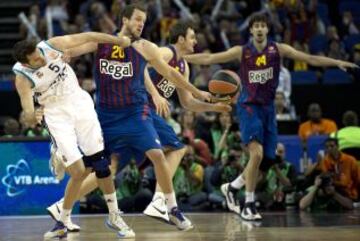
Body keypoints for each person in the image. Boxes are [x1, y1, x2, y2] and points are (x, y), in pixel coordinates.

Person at [46, 3, 214, 232]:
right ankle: (61, 213)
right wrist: (65, 54)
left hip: (136, 113)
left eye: (143, 21)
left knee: (157, 154)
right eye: (136, 19)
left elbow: (171, 73)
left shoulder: (146, 47)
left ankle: (172, 208)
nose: (140, 24)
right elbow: (71, 48)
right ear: (124, 20)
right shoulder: (103, 41)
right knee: (87, 169)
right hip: (105, 115)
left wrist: (197, 91)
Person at [184, 13, 358, 221]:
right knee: (255, 154)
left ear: (267, 29)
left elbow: (310, 58)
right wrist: (180, 58)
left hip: (268, 109)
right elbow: (210, 58)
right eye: (255, 26)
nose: (259, 29)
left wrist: (336, 61)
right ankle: (248, 203)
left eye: (262, 26)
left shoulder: (279, 49)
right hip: (248, 107)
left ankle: (232, 187)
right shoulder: (242, 51)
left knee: (267, 161)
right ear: (250, 30)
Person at [12, 32, 135, 239]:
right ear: (25, 64)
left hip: (79, 102)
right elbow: (28, 114)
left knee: (101, 164)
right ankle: (62, 221)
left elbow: (89, 37)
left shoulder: (51, 46)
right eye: (35, 60)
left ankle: (114, 216)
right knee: (78, 172)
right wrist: (34, 115)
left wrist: (119, 40)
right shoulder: (22, 79)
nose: (40, 59)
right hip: (56, 113)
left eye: (39, 54)